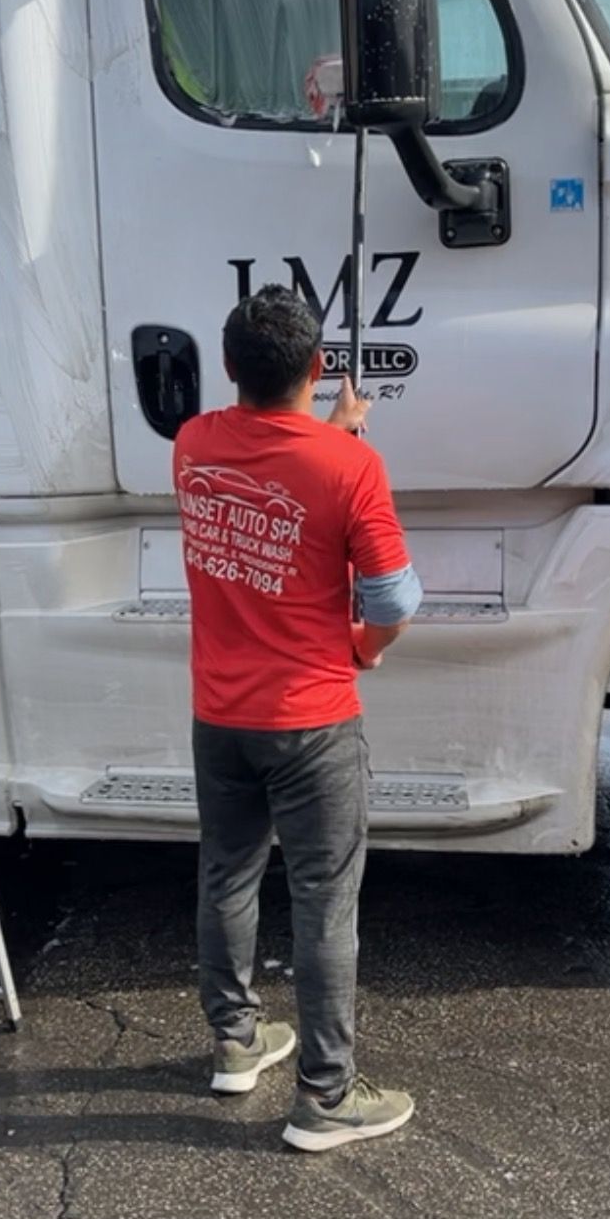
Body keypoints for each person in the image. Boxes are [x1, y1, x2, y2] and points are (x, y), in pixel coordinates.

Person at [173, 284, 423, 1150]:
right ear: (319, 370)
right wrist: (364, 644)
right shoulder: (349, 467)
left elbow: (274, 471)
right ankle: (324, 1096)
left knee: (228, 875)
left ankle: (235, 1045)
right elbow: (395, 597)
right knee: (323, 901)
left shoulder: (194, 445)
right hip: (313, 717)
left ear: (230, 368)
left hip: (221, 715)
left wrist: (332, 431)